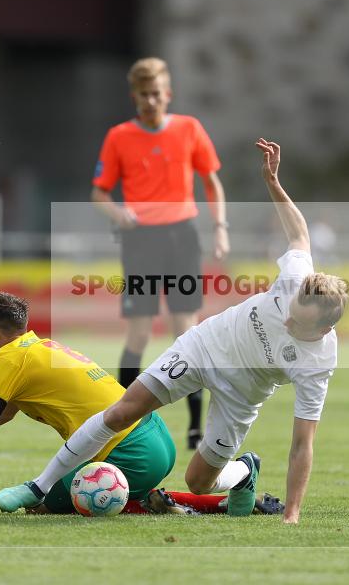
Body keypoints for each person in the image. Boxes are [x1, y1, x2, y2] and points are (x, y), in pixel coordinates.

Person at [0, 139, 349, 524]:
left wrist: (292, 513)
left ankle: (244, 471)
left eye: (297, 324)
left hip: (244, 392)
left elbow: (302, 443)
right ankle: (39, 485)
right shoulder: (298, 278)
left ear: (325, 328)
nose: (286, 320)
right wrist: (273, 182)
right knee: (124, 410)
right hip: (205, 345)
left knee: (199, 482)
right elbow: (299, 236)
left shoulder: (319, 361)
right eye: (290, 309)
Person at [0, 292, 177, 515]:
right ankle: (168, 500)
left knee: (41, 509)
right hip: (157, 436)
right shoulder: (38, 347)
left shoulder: (7, 360)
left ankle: (147, 503)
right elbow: (2, 414)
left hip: (129, 452)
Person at [90, 57, 230, 451]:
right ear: (134, 97)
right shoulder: (119, 136)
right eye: (143, 95)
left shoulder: (189, 129)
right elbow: (98, 192)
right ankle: (118, 421)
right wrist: (119, 212)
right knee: (138, 331)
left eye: (157, 94)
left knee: (186, 331)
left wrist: (220, 227)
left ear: (167, 94)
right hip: (140, 241)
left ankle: (195, 427)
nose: (151, 101)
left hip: (182, 237)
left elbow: (211, 182)